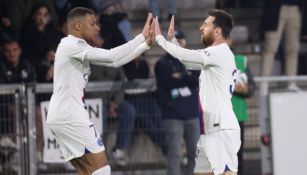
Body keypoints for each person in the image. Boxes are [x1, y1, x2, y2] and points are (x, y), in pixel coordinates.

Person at [46, 6, 154, 175]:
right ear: (78, 27)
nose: (97, 27)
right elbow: (111, 56)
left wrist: (144, 45)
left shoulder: (70, 45)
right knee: (102, 170)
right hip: (70, 115)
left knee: (89, 171)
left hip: (62, 114)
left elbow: (114, 63)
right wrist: (141, 37)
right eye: (92, 23)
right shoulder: (73, 45)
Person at [153, 9, 240, 175]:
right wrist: (173, 41)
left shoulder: (219, 52)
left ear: (217, 30)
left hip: (221, 129)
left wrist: (160, 39)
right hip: (209, 130)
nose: (201, 27)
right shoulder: (214, 56)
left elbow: (186, 57)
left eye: (206, 24)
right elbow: (188, 62)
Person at [154, 29, 200, 175]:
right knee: (175, 155)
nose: (179, 42)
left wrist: (180, 76)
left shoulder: (192, 61)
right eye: (175, 40)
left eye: (181, 39)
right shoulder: (162, 64)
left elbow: (197, 79)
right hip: (173, 115)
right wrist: (187, 78)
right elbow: (168, 82)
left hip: (192, 114)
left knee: (196, 154)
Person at [260, 0, 307, 91]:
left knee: (293, 49)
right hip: (276, 8)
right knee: (270, 47)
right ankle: (264, 81)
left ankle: (291, 82)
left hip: (296, 8)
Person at [231, 53, 255, 175]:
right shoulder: (210, 58)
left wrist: (246, 89)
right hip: (219, 118)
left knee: (238, 155)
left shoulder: (241, 60)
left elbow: (251, 88)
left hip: (238, 116)